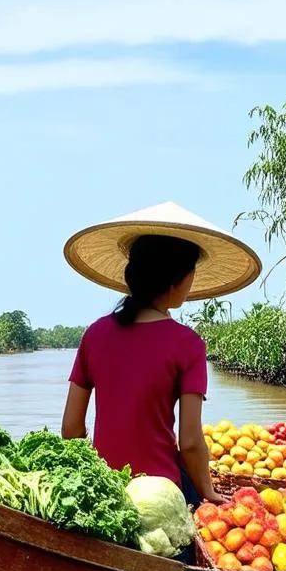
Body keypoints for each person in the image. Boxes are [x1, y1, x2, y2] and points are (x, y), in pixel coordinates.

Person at [60, 202, 262, 514]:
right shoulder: (188, 344)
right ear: (179, 280)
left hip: (105, 493)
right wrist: (207, 490)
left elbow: (71, 428)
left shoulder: (94, 334)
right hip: (161, 498)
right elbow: (191, 441)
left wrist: (95, 473)